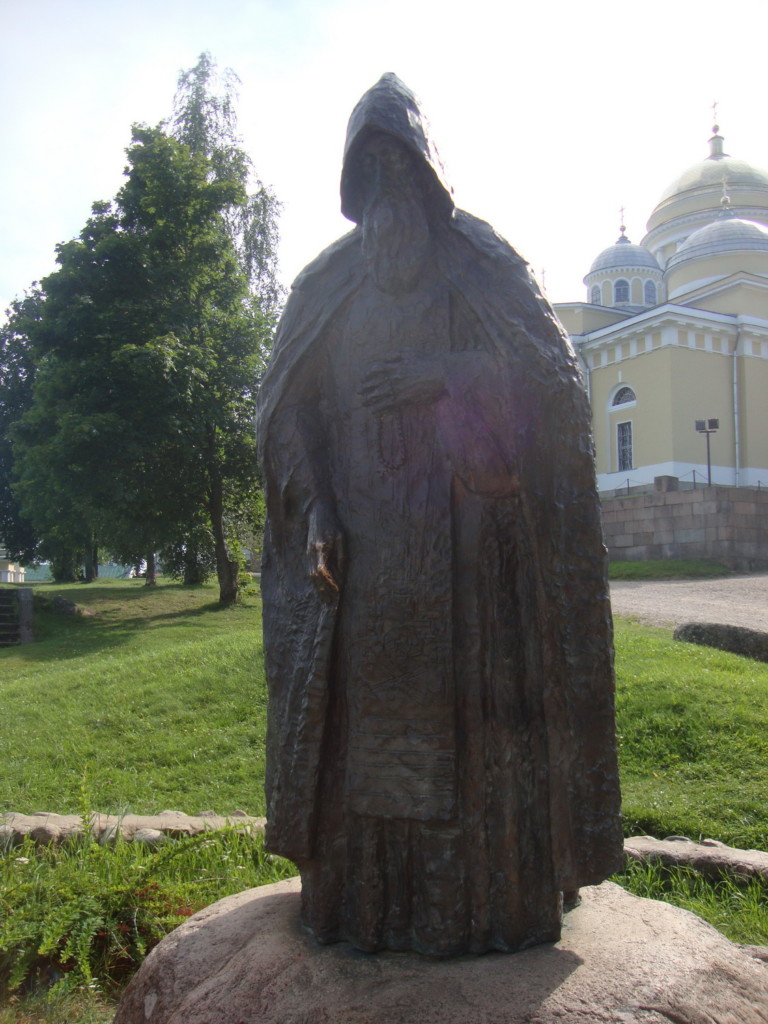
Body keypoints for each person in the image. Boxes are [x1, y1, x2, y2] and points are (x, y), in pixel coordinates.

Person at [256, 73, 622, 956]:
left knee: (476, 733)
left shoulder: (481, 265)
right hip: (365, 564)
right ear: (353, 187)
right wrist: (316, 508)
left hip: (472, 565)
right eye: (370, 172)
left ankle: (491, 909)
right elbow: (284, 410)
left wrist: (447, 373)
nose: (389, 193)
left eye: (401, 168)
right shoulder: (327, 285)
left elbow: (552, 388)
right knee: (369, 739)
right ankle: (364, 909)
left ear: (430, 176)